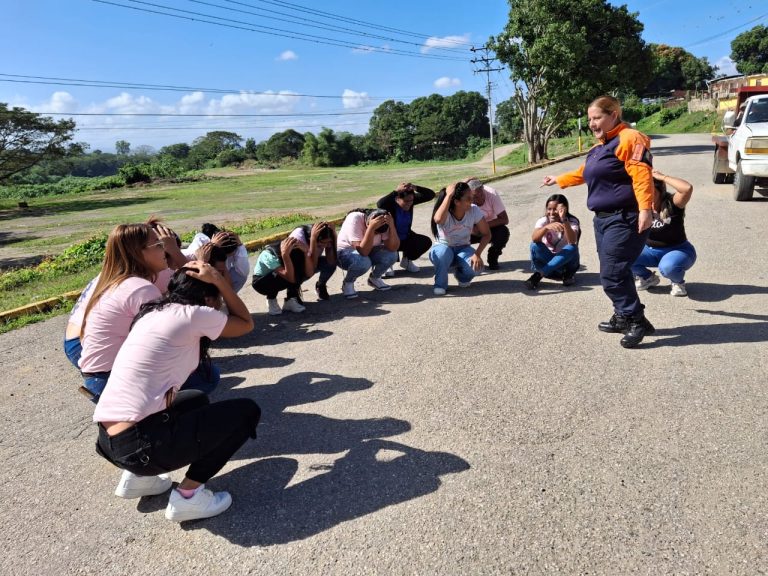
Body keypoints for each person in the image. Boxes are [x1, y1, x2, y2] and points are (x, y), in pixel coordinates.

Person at [93, 263, 259, 522]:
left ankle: (138, 480)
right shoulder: (194, 314)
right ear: (207, 298)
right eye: (217, 298)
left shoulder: (153, 312)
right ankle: (188, 498)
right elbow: (246, 323)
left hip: (111, 442)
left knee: (196, 400)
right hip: (141, 447)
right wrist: (219, 280)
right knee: (247, 412)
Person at [542, 95, 655, 348]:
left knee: (612, 274)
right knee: (616, 271)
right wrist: (558, 179)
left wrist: (646, 209)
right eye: (590, 118)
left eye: (597, 118)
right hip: (603, 220)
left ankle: (636, 320)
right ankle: (623, 315)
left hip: (625, 217)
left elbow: (641, 176)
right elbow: (585, 173)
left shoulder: (630, 139)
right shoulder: (600, 147)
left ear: (614, 114)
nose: (592, 123)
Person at [64, 220, 181, 371]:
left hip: (77, 342)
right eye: (160, 244)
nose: (165, 250)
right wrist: (175, 251)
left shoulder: (118, 270)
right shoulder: (150, 276)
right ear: (138, 251)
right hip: (83, 346)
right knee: (203, 377)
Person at [631, 170, 696, 297]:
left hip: (678, 251)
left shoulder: (673, 203)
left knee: (668, 267)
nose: (646, 193)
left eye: (649, 189)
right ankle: (647, 278)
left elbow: (687, 188)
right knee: (621, 256)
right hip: (649, 250)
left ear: (659, 189)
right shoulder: (641, 206)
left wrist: (662, 177)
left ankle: (678, 282)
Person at [252, 222, 337, 314]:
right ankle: (277, 298)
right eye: (322, 243)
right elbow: (292, 277)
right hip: (262, 282)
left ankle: (293, 298)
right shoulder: (270, 254)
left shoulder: (323, 237)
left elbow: (329, 262)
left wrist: (334, 237)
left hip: (287, 269)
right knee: (291, 272)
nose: (325, 246)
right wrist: (286, 255)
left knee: (295, 270)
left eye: (328, 242)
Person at [429, 181, 491, 296]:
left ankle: (461, 276)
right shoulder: (445, 212)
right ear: (457, 202)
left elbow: (486, 234)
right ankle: (440, 284)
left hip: (463, 248)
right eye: (468, 198)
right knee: (443, 254)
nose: (472, 201)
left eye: (471, 197)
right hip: (443, 248)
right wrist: (448, 195)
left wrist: (477, 254)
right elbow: (437, 219)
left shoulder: (474, 210)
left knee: (477, 268)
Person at [336, 208, 399, 299]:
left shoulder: (384, 220)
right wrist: (371, 228)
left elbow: (393, 247)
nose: (377, 234)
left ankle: (374, 278)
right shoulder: (355, 218)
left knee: (392, 255)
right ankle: (348, 283)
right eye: (376, 232)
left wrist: (392, 225)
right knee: (363, 262)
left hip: (367, 251)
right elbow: (363, 251)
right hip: (345, 254)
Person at [376, 182, 435, 275]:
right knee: (387, 249)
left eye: (411, 201)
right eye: (406, 201)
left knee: (425, 242)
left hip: (404, 237)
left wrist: (415, 187)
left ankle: (406, 260)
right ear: (397, 199)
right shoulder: (390, 205)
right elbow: (379, 204)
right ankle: (387, 264)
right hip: (389, 239)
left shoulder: (410, 201)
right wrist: (396, 191)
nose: (409, 203)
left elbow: (430, 195)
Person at [525, 194, 581, 289]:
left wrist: (564, 219)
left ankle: (539, 275)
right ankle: (549, 272)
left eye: (555, 209)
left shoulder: (571, 221)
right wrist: (546, 228)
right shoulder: (543, 220)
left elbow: (572, 241)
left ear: (564, 209)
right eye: (549, 209)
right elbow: (534, 239)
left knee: (572, 247)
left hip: (566, 266)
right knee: (534, 245)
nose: (551, 212)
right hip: (548, 262)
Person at [182, 223, 250, 292]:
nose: (227, 258)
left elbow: (244, 271)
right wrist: (203, 260)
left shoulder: (226, 251)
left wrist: (240, 246)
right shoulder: (197, 249)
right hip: (194, 288)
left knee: (241, 276)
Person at [466, 179, 510, 270]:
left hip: (489, 227)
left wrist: (482, 226)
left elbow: (505, 219)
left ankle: (493, 256)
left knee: (503, 232)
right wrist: (472, 228)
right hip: (471, 228)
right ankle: (462, 258)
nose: (480, 198)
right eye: (475, 196)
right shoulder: (465, 198)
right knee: (457, 236)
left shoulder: (491, 193)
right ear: (469, 195)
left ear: (483, 188)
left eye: (481, 193)